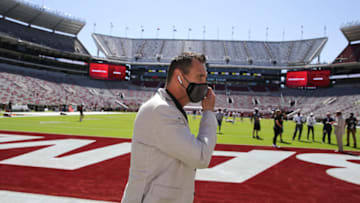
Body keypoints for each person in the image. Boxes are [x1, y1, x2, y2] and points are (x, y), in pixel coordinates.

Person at [121, 52, 217, 203]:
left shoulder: (170, 108)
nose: (206, 85)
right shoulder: (161, 110)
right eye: (200, 77)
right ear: (179, 76)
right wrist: (208, 112)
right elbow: (201, 158)